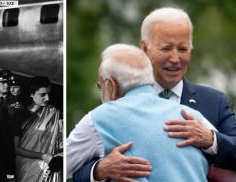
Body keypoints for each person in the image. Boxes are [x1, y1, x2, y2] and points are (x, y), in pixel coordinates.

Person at [72, 7, 236, 182]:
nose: (175, 58)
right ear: (144, 48)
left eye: (182, 49)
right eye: (166, 49)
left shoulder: (213, 102)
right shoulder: (115, 101)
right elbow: (78, 168)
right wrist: (99, 170)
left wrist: (211, 140)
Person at [67, 44, 218, 181]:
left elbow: (59, 164)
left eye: (100, 87)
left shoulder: (99, 118)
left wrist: (98, 170)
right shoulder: (193, 117)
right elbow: (227, 160)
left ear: (111, 85)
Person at [14, 76, 63, 182]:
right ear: (31, 94)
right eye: (42, 95)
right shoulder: (20, 116)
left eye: (48, 94)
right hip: (25, 167)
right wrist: (43, 156)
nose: (47, 98)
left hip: (49, 167)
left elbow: (59, 144)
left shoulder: (52, 113)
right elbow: (16, 149)